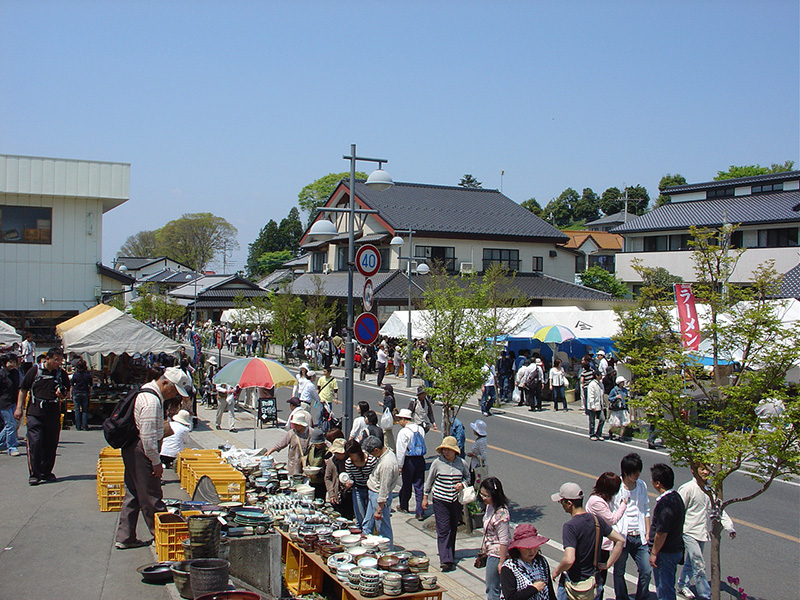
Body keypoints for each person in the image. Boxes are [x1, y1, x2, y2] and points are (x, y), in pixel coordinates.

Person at [115, 366, 190, 549]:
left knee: (133, 492)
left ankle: (125, 537)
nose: (173, 395)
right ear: (165, 383)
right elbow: (148, 438)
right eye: (173, 390)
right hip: (142, 450)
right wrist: (156, 462)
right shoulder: (151, 401)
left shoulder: (149, 393)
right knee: (152, 496)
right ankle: (164, 538)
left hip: (135, 448)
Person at [552, 482, 625, 600]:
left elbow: (569, 559)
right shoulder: (597, 520)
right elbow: (620, 540)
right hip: (594, 583)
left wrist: (557, 570)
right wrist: (607, 564)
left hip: (574, 584)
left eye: (562, 502)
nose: (562, 505)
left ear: (569, 503)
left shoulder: (570, 527)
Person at [676, 466, 735, 600]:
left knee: (692, 562)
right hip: (688, 531)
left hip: (701, 533)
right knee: (698, 564)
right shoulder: (687, 488)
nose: (706, 472)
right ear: (693, 470)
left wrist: (729, 527)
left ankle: (682, 585)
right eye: (702, 469)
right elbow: (678, 511)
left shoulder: (709, 491)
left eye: (707, 469)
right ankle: (705, 595)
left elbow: (718, 510)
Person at [18, 347, 71, 486]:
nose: (58, 363)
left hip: (53, 413)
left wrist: (62, 394)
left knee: (50, 444)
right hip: (35, 413)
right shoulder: (34, 371)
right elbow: (23, 389)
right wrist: (19, 408)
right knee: (35, 443)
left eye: (60, 360)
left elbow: (67, 393)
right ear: (47, 359)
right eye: (56, 360)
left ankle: (46, 472)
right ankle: (35, 474)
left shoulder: (61, 374)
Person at [422, 436, 470, 572]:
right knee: (443, 528)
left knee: (452, 527)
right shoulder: (437, 463)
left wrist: (462, 484)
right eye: (444, 450)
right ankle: (446, 559)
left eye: (449, 450)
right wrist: (425, 497)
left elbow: (468, 477)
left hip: (455, 500)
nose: (446, 452)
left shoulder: (461, 463)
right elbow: (429, 481)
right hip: (440, 500)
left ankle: (450, 553)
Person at [612, 453, 652, 600]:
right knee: (619, 570)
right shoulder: (617, 487)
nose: (636, 475)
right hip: (622, 536)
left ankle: (641, 597)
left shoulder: (641, 485)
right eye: (633, 472)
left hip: (639, 535)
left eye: (638, 472)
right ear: (625, 471)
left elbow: (646, 509)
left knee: (646, 571)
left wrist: (647, 532)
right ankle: (621, 597)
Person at [586, 472, 628, 600]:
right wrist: (624, 505)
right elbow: (611, 519)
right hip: (597, 546)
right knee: (597, 580)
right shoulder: (597, 502)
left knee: (601, 580)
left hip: (603, 545)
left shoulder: (603, 499)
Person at [649, 464, 686, 600]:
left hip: (666, 552)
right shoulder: (677, 497)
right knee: (668, 585)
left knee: (664, 590)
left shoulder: (665, 503)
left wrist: (654, 553)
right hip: (676, 549)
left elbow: (661, 533)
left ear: (658, 483)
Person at [361, 435, 399, 548]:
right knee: (367, 524)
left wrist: (379, 508)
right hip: (374, 494)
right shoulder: (386, 455)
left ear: (376, 450)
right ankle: (366, 546)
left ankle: (387, 551)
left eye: (371, 453)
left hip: (378, 497)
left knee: (383, 528)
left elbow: (384, 488)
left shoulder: (386, 464)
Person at [500, 523, 555, 600]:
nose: (532, 551)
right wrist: (533, 589)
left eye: (534, 547)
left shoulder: (542, 562)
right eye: (527, 548)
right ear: (518, 548)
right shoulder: (509, 568)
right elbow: (510, 597)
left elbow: (550, 590)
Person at [480, 477, 511, 600]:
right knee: (491, 587)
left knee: (492, 588)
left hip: (497, 555)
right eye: (481, 494)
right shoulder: (489, 507)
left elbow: (504, 540)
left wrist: (502, 562)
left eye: (486, 495)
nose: (483, 498)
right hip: (490, 551)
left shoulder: (501, 514)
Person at [395, 408, 427, 521]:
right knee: (419, 486)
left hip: (409, 461)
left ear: (404, 419)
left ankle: (404, 505)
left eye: (400, 419)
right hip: (420, 459)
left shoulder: (404, 432)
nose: (399, 421)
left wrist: (400, 465)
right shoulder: (420, 429)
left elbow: (401, 451)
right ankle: (420, 511)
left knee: (407, 484)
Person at [344, 438, 378, 528]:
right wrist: (348, 482)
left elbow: (376, 476)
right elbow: (351, 478)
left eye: (352, 455)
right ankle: (360, 534)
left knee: (369, 517)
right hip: (358, 489)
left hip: (370, 489)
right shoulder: (348, 463)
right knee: (360, 516)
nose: (351, 458)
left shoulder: (371, 460)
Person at [324, 437, 354, 519]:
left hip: (349, 494)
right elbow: (327, 478)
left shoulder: (351, 461)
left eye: (339, 453)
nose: (337, 455)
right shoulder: (331, 461)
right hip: (337, 494)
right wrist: (331, 494)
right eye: (336, 453)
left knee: (348, 517)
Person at [0, 354, 22, 456]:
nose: (12, 364)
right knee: (10, 424)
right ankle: (12, 447)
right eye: (10, 362)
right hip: (3, 402)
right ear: (4, 363)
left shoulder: (16, 373)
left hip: (13, 401)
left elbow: (21, 385)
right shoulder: (1, 373)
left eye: (14, 361)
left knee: (11, 424)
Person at [70, 359, 93, 431]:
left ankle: (78, 426)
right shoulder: (88, 375)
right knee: (84, 410)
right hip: (85, 392)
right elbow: (90, 385)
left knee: (77, 410)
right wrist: (90, 393)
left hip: (76, 392)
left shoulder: (75, 374)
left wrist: (71, 393)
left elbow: (72, 385)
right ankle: (85, 426)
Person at [306, 428, 328, 500]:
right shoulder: (311, 448)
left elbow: (326, 469)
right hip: (311, 480)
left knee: (319, 499)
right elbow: (308, 460)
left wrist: (317, 475)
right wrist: (307, 468)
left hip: (321, 483)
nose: (317, 445)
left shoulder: (327, 451)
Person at [606, 376, 630, 441]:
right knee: (616, 424)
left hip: (623, 408)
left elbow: (627, 399)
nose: (623, 383)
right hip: (616, 409)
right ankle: (611, 431)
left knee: (624, 423)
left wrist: (627, 408)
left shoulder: (625, 390)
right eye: (622, 382)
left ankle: (621, 436)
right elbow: (609, 398)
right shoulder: (614, 390)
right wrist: (616, 397)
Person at [467, 419, 488, 484]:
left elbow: (484, 457)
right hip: (474, 465)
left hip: (477, 466)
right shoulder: (479, 439)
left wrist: (473, 455)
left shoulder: (481, 441)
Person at [317, 366, 339, 431]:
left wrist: (336, 399)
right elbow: (318, 388)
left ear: (329, 372)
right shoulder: (321, 379)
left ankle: (327, 427)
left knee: (328, 415)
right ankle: (320, 426)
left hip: (329, 400)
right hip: (321, 399)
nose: (324, 373)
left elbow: (335, 390)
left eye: (325, 371)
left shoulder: (333, 380)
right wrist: (316, 397)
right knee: (320, 413)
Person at [586, 370, 605, 441]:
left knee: (602, 419)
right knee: (592, 421)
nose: (601, 376)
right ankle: (592, 434)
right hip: (593, 405)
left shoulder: (601, 384)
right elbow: (591, 396)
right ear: (597, 376)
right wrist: (592, 405)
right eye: (600, 375)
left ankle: (599, 433)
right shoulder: (592, 384)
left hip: (600, 405)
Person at [380, 384, 397, 451]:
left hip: (387, 419)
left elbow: (388, 408)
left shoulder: (388, 398)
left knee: (386, 434)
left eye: (384, 390)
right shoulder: (391, 397)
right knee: (388, 433)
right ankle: (391, 447)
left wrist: (382, 405)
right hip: (389, 418)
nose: (383, 391)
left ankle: (389, 448)